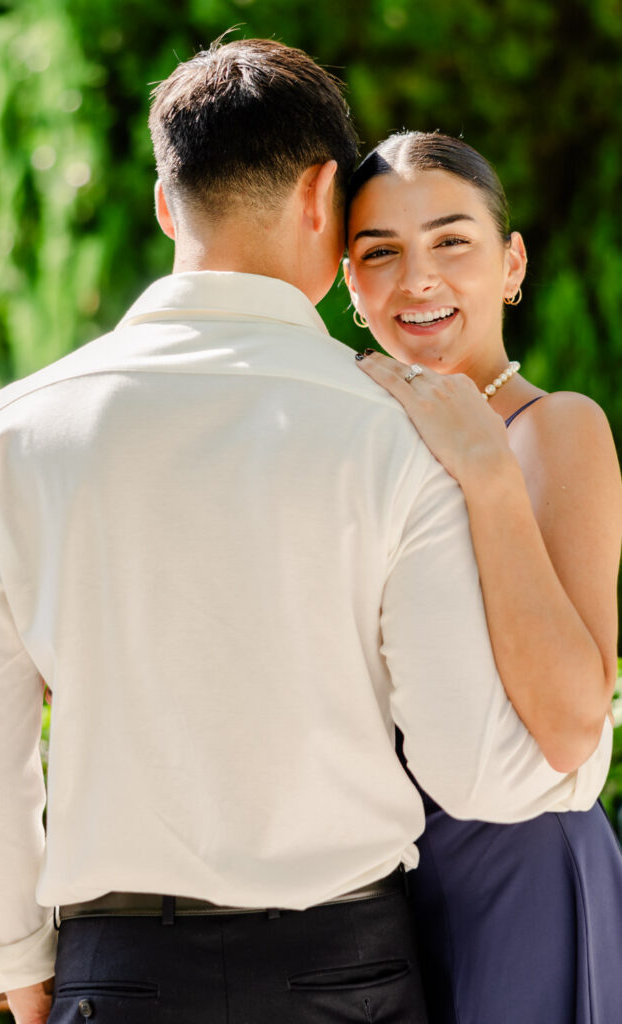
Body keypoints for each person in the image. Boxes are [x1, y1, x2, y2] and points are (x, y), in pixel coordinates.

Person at [0, 44, 613, 1024]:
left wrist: (17, 964)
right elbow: (474, 767)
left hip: (115, 968)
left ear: (167, 208)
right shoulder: (400, 427)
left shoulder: (9, 434)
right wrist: (576, 762)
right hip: (344, 970)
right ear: (320, 197)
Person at [344, 130, 622, 1024]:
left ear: (510, 264)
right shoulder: (351, 448)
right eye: (379, 253)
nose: (417, 279)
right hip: (380, 885)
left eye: (450, 242)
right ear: (349, 285)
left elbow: (575, 721)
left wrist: (488, 474)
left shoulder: (554, 431)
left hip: (523, 873)